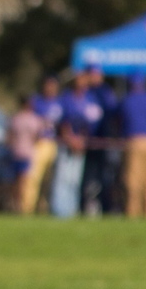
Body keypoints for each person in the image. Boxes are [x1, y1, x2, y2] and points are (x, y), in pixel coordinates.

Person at [50, 70, 102, 218]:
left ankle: (71, 209)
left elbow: (90, 122)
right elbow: (63, 121)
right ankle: (60, 211)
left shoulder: (89, 99)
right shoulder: (66, 98)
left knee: (75, 179)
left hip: (81, 143)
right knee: (63, 178)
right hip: (66, 143)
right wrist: (70, 139)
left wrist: (82, 141)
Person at [83, 64, 119, 214]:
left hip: (103, 141)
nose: (93, 77)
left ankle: (106, 206)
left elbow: (113, 115)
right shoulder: (85, 91)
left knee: (106, 175)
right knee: (88, 176)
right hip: (86, 142)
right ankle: (87, 206)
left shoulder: (106, 92)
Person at [26, 75, 63, 214]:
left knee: (50, 179)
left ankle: (43, 208)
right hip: (39, 143)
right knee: (33, 177)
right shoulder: (36, 102)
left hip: (54, 142)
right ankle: (28, 208)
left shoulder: (59, 103)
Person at [119, 72, 146, 218]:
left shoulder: (127, 100)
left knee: (133, 180)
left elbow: (118, 121)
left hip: (134, 143)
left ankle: (133, 212)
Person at [7, 95, 46, 213]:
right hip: (27, 153)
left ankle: (15, 204)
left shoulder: (15, 119)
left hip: (15, 152)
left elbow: (9, 137)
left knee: (15, 181)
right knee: (24, 181)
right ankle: (21, 206)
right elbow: (39, 136)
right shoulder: (34, 119)